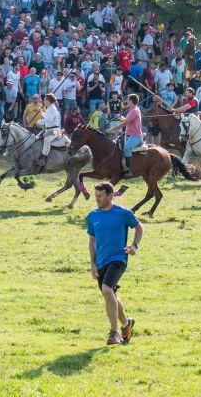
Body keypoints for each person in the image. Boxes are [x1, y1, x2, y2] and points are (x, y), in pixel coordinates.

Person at [86, 181, 143, 346]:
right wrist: (93, 263)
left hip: (118, 259)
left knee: (106, 289)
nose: (97, 199)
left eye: (100, 196)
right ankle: (126, 323)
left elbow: (139, 228)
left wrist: (134, 246)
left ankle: (114, 332)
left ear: (110, 196)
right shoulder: (92, 216)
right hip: (100, 262)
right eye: (96, 196)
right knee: (110, 295)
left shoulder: (123, 213)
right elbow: (92, 241)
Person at [111, 93, 144, 178]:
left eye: (128, 100)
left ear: (131, 101)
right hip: (128, 134)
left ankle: (129, 170)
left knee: (126, 148)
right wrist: (121, 118)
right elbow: (127, 120)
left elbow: (124, 124)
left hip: (135, 135)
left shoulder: (134, 111)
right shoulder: (132, 110)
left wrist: (111, 130)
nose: (126, 101)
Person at [38, 93, 63, 167]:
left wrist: (39, 121)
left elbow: (49, 120)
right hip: (48, 129)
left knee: (47, 140)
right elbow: (47, 116)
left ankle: (43, 158)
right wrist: (41, 113)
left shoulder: (52, 109)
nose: (43, 101)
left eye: (44, 100)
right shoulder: (49, 108)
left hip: (54, 130)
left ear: (48, 101)